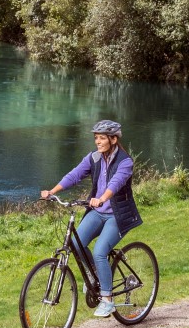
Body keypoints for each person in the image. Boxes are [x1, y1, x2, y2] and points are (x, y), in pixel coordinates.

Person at [41, 119, 142, 316]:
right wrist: (53, 191)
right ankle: (95, 274)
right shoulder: (94, 158)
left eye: (102, 138)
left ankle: (107, 299)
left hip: (118, 215)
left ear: (113, 139)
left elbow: (116, 183)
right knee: (76, 244)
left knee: (99, 251)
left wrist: (102, 198)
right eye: (96, 138)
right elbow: (75, 175)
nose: (97, 141)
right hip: (98, 212)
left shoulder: (125, 161)